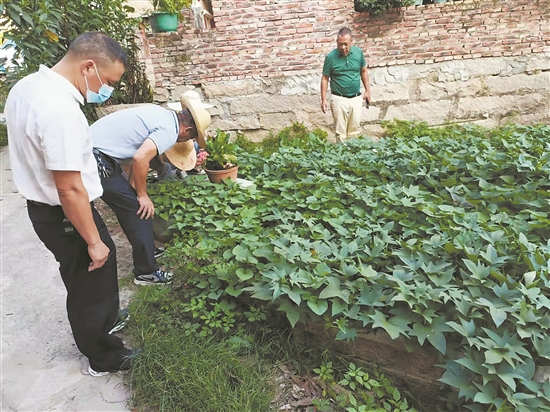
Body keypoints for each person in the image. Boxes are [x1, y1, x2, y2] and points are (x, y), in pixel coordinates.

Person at [5, 31, 137, 377]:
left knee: (89, 271)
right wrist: (92, 240)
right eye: (108, 81)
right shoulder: (58, 110)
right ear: (89, 66)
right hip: (64, 211)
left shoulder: (27, 87)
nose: (106, 89)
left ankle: (107, 318)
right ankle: (103, 357)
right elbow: (69, 188)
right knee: (89, 278)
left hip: (46, 209)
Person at [90, 96, 212, 286]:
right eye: (190, 138)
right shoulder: (168, 131)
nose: (185, 140)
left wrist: (133, 191)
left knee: (130, 206)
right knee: (140, 211)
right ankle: (146, 273)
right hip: (95, 158)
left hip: (94, 153)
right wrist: (142, 195)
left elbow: (132, 160)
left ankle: (147, 250)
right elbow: (140, 159)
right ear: (187, 131)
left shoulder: (163, 115)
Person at [320, 27, 371, 142]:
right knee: (341, 133)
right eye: (340, 44)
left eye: (346, 44)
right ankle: (342, 157)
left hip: (356, 98)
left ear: (351, 42)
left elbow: (363, 71)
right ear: (337, 42)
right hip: (339, 98)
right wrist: (323, 99)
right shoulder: (331, 58)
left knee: (354, 131)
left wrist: (367, 91)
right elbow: (325, 78)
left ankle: (353, 156)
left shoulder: (358, 53)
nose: (343, 47)